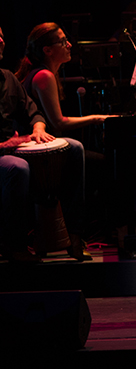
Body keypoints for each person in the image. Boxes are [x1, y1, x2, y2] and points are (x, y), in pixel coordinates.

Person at [0, 26, 54, 262]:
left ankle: (69, 236)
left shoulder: (8, 78)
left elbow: (34, 113)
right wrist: (5, 145)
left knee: (74, 148)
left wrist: (38, 128)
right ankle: (15, 246)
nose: (1, 40)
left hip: (7, 152)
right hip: (4, 155)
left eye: (2, 35)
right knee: (17, 167)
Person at [15, 23, 115, 133]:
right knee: (77, 147)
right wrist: (95, 118)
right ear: (48, 50)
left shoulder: (43, 73)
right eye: (63, 42)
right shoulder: (44, 76)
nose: (69, 45)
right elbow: (58, 123)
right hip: (35, 143)